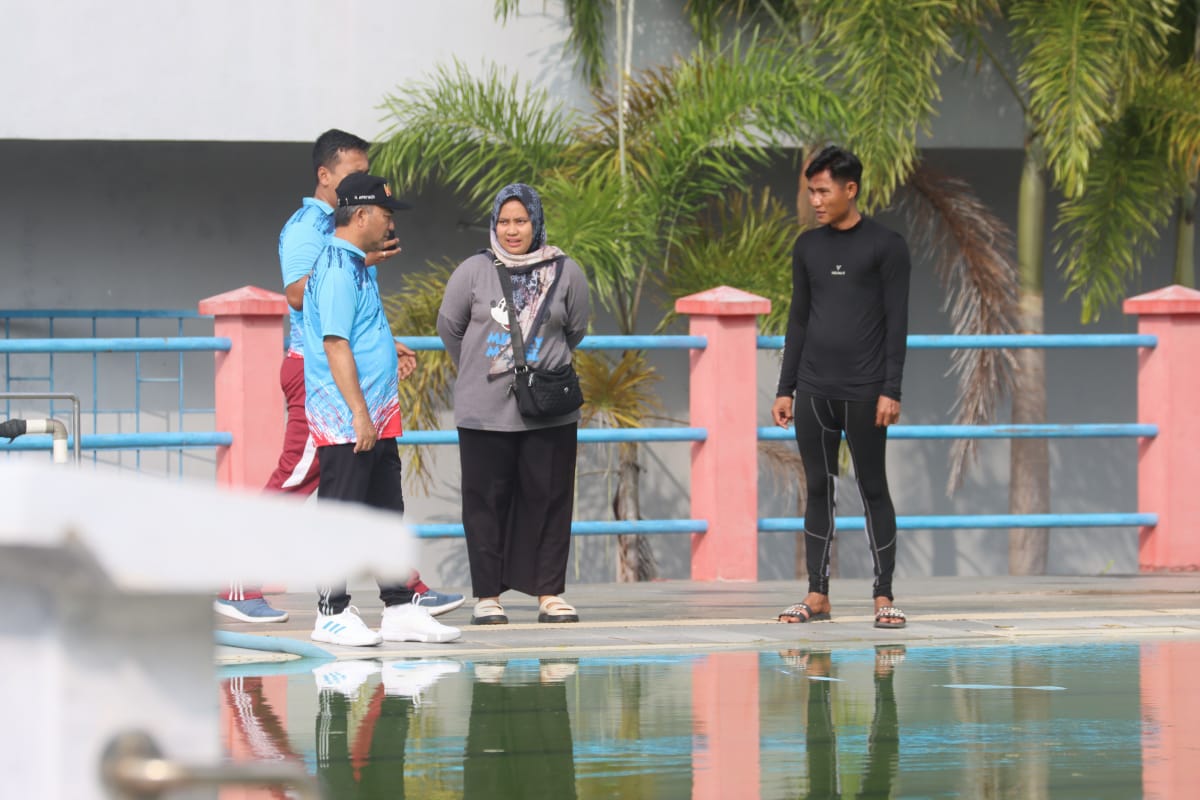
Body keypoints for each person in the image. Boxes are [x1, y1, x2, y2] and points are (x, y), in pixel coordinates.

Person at [214, 129, 462, 624]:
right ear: (325, 176)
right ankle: (237, 582)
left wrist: (380, 345)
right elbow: (301, 296)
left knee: (369, 480)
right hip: (318, 374)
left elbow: (347, 307)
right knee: (298, 478)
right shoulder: (310, 227)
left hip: (342, 369)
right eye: (354, 173)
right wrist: (359, 260)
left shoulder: (350, 227)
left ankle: (402, 588)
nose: (365, 180)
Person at [303, 171, 460, 646]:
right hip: (348, 419)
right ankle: (330, 611)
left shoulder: (357, 265)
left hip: (376, 411)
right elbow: (334, 342)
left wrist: (391, 351)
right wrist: (358, 412)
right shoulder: (334, 267)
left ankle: (397, 606)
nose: (391, 223)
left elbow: (358, 328)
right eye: (387, 214)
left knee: (385, 508)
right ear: (363, 214)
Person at [437, 183, 590, 626]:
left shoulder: (567, 271)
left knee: (550, 498)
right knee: (484, 502)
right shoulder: (472, 271)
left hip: (549, 407)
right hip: (484, 410)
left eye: (521, 220)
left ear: (536, 222)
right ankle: (488, 596)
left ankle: (549, 594)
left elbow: (575, 329)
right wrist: (483, 368)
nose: (511, 230)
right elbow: (451, 329)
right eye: (504, 221)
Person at [772, 145, 911, 630]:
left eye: (823, 190)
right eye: (811, 191)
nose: (815, 199)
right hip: (814, 390)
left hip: (866, 391)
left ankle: (884, 595)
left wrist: (890, 389)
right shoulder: (807, 247)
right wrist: (785, 388)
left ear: (850, 189)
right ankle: (818, 594)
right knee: (817, 488)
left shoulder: (886, 246)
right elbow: (798, 319)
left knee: (873, 487)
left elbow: (898, 323)